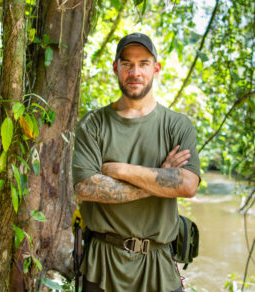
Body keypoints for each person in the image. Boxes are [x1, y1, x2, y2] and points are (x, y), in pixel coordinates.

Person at [72, 32, 200, 292]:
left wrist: (122, 170)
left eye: (143, 63)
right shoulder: (94, 124)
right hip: (103, 262)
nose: (135, 71)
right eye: (127, 63)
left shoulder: (176, 125)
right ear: (115, 67)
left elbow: (187, 185)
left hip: (159, 263)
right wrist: (160, 179)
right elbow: (86, 187)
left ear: (156, 68)